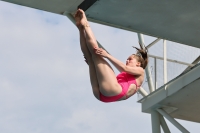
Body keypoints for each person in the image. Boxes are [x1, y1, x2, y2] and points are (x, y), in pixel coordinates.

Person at [74, 9, 148, 102]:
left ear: (138, 64)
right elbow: (113, 73)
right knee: (91, 58)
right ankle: (81, 29)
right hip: (103, 95)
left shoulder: (141, 71)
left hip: (111, 91)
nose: (127, 61)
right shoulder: (125, 76)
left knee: (96, 53)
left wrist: (107, 55)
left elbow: (124, 68)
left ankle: (86, 25)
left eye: (130, 59)